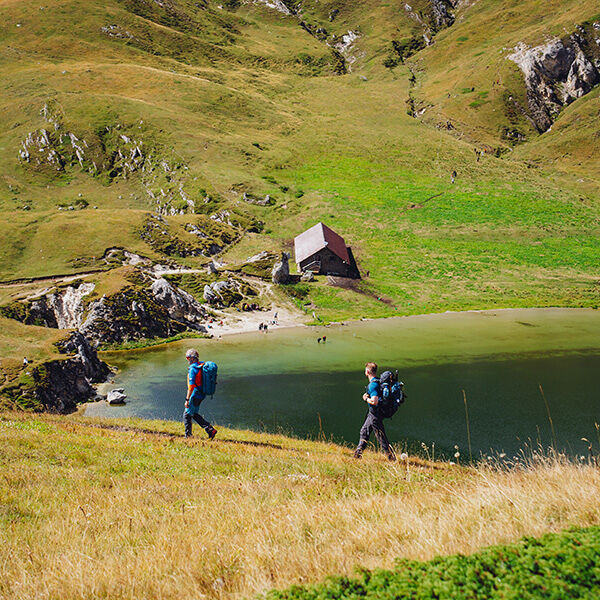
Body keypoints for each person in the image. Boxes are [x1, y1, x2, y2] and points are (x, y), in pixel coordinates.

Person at [354, 362, 395, 461]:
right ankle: (357, 455)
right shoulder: (378, 381)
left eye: (365, 370)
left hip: (375, 414)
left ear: (367, 372)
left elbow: (374, 401)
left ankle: (391, 458)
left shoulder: (373, 385)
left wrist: (366, 399)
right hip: (373, 413)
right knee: (364, 431)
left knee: (381, 436)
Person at [184, 348, 217, 439]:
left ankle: (188, 436)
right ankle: (210, 430)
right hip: (202, 394)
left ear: (192, 358)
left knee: (187, 414)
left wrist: (187, 399)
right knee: (194, 413)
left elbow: (191, 386)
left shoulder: (193, 369)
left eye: (188, 358)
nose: (187, 360)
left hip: (195, 394)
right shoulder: (201, 365)